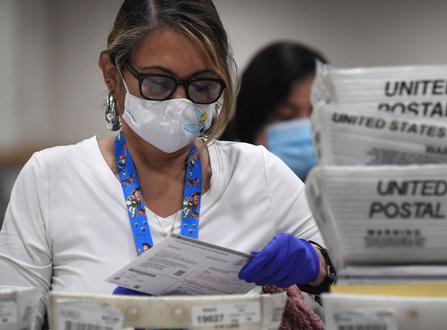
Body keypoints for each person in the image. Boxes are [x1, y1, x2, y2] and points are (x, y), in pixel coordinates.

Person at [0, 1, 334, 328]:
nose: (181, 103)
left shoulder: (257, 172)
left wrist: (316, 265)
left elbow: (353, 278)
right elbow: (11, 317)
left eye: (202, 85)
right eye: (158, 83)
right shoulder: (50, 177)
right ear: (111, 74)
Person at [223, 41, 327, 180]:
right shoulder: (213, 179)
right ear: (252, 116)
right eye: (286, 115)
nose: (305, 127)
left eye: (316, 114)